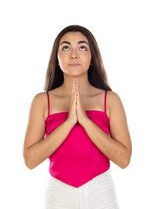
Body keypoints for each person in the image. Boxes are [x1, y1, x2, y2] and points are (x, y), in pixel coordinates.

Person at [23, 25, 132, 209]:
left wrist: (85, 120)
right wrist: (69, 122)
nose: (74, 54)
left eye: (82, 47)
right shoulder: (42, 101)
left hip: (101, 193)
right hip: (58, 194)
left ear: (92, 59)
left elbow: (124, 159)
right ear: (57, 59)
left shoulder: (110, 100)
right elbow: (30, 160)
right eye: (65, 47)